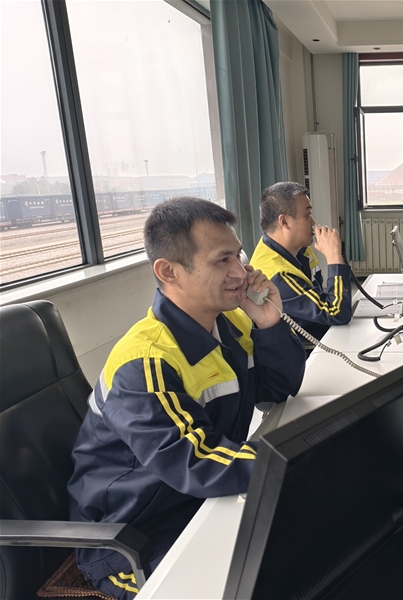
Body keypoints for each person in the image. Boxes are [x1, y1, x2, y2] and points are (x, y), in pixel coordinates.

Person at [67, 197, 306, 599]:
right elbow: (197, 460)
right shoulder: (145, 362)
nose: (241, 271)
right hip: (133, 539)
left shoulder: (230, 324)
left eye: (238, 255)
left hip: (197, 504)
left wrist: (269, 325)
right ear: (168, 271)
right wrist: (300, 460)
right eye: (222, 260)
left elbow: (277, 388)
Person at [249, 182, 352, 343]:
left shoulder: (299, 249)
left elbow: (320, 297)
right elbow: (337, 313)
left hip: (325, 330)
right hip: (309, 348)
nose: (313, 222)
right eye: (307, 215)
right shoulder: (278, 276)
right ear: (284, 222)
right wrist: (334, 257)